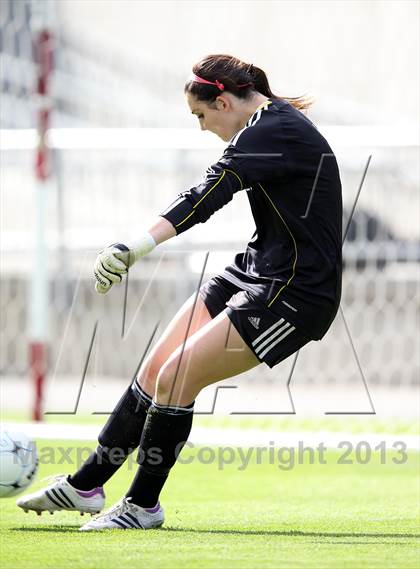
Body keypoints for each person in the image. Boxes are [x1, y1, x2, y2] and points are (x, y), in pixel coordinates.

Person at [17, 54, 342, 531]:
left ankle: (142, 505)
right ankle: (87, 484)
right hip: (255, 270)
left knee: (177, 376)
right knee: (155, 370)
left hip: (296, 292)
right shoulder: (265, 124)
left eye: (202, 115)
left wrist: (137, 245)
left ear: (224, 101)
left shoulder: (273, 130)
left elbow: (207, 194)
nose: (202, 126)